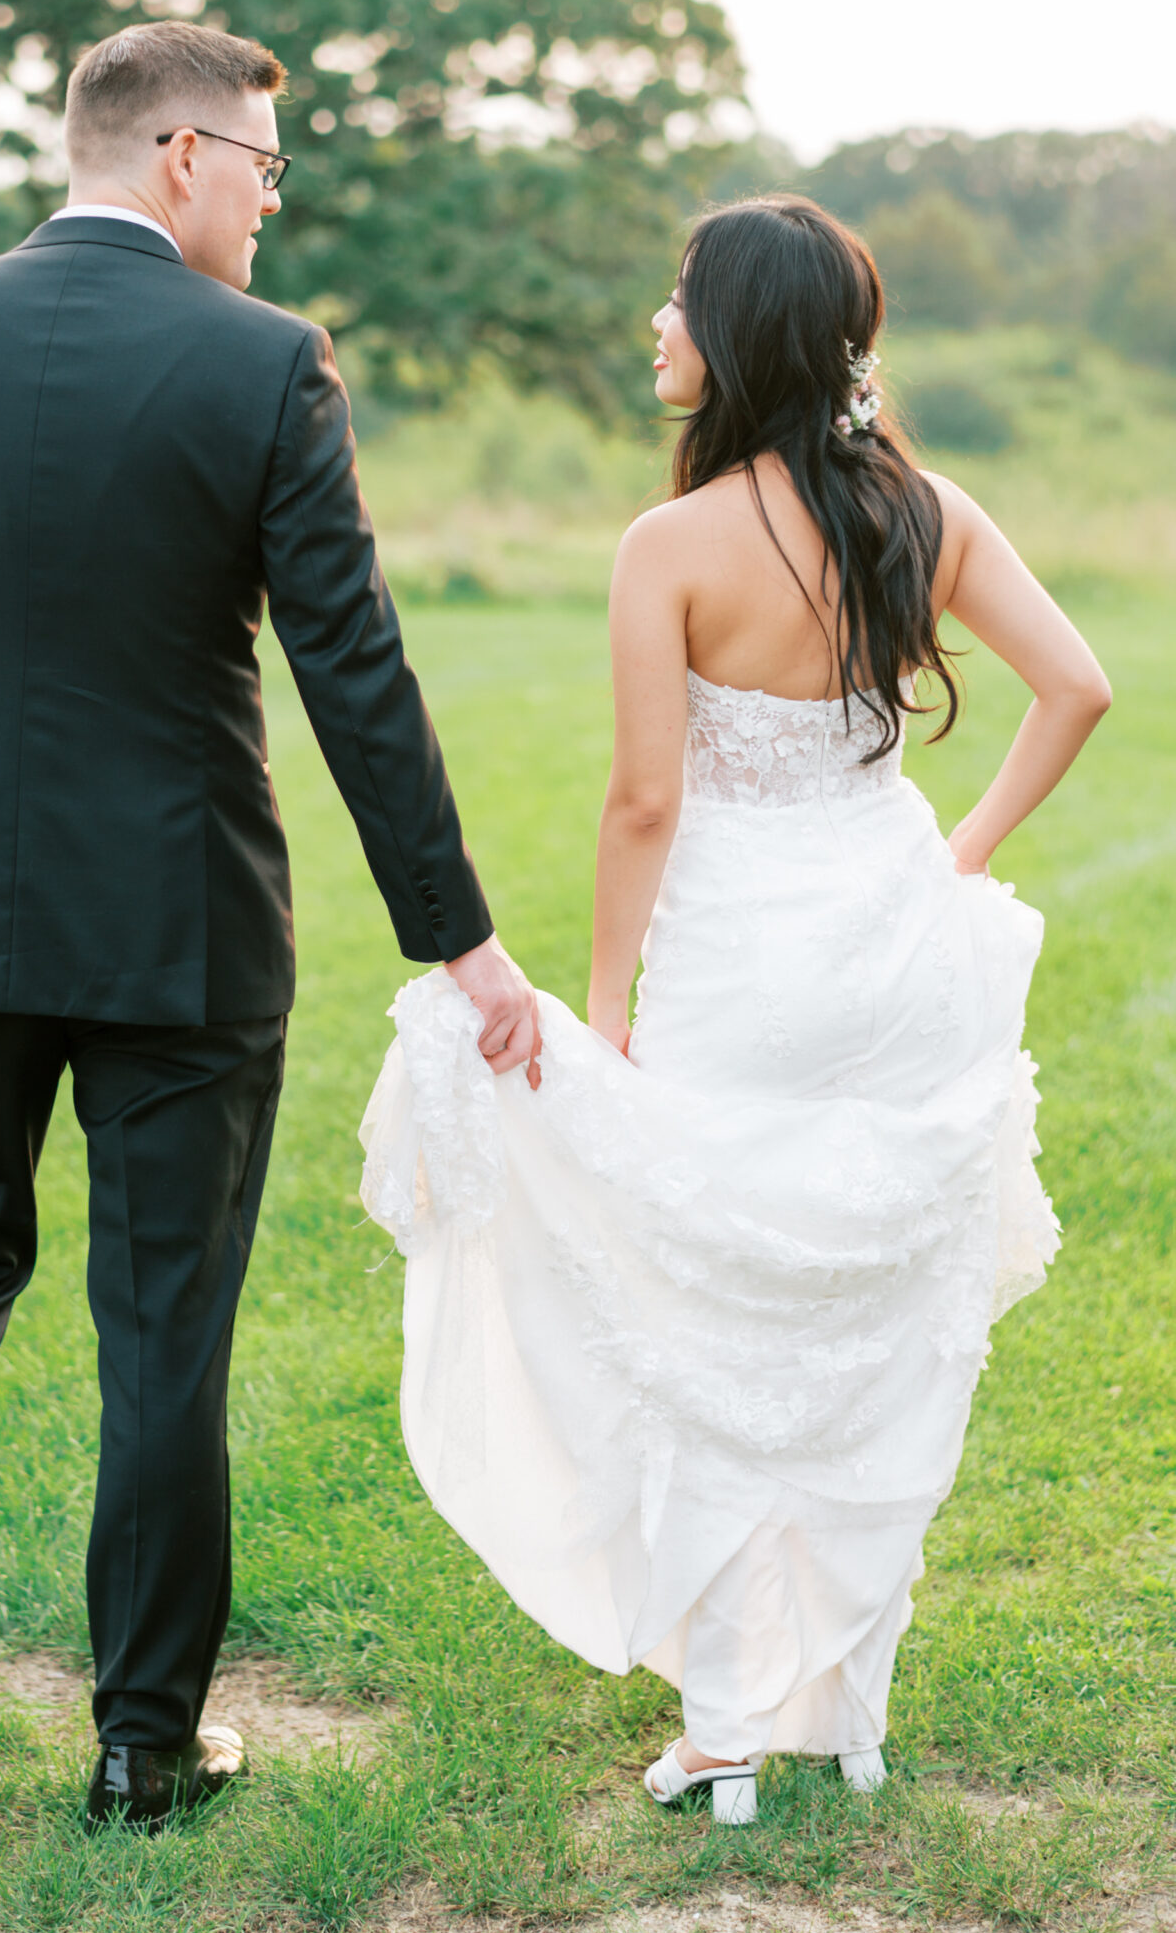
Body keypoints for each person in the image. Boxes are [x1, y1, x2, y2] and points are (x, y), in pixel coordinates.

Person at [0, 19, 540, 1829]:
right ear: (183, 158)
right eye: (270, 172)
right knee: (162, 1330)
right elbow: (353, 673)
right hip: (181, 929)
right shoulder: (266, 367)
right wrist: (462, 939)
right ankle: (144, 1747)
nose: (275, 212)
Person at [360, 195, 1109, 1825]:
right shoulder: (929, 515)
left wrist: (605, 1001)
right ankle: (844, 1710)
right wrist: (957, 854)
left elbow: (644, 801)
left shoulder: (671, 546)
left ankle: (721, 1734)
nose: (655, 323)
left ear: (740, 335)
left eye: (677, 299)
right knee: (860, 1330)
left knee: (710, 1319)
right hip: (892, 951)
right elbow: (1079, 687)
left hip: (742, 961)